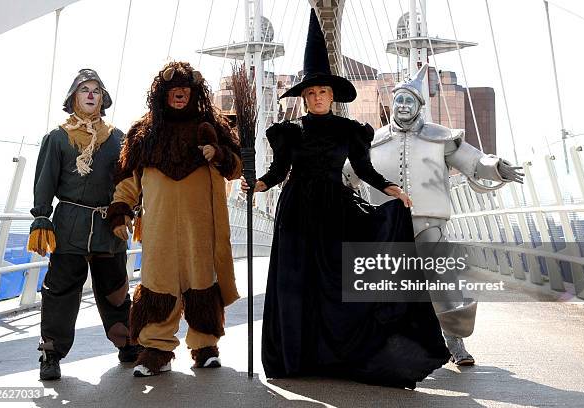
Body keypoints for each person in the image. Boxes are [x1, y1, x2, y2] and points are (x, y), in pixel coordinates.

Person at [241, 10, 450, 389]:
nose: (318, 97)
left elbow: (365, 170)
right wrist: (258, 185)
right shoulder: (287, 132)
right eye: (311, 92)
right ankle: (297, 357)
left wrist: (392, 191)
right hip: (296, 212)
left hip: (335, 211)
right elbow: (278, 172)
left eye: (323, 92)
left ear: (332, 95)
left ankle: (341, 354)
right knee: (294, 282)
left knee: (337, 282)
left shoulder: (350, 131)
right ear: (303, 97)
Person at [346, 63, 524, 365]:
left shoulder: (440, 138)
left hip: (428, 221)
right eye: (399, 100)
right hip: (386, 224)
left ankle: (455, 343)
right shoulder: (372, 141)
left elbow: (474, 160)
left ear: (419, 106)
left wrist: (495, 166)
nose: (403, 106)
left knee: (441, 278)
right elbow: (347, 174)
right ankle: (381, 347)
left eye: (409, 101)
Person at [107, 61, 242, 377]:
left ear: (195, 93)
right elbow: (128, 179)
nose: (181, 93)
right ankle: (156, 349)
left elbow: (236, 168)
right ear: (162, 93)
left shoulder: (214, 127)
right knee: (158, 283)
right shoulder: (144, 134)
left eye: (187, 88)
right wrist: (120, 210)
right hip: (159, 228)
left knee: (202, 281)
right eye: (174, 88)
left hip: (202, 226)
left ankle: (205, 346)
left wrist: (219, 154)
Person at [28, 69, 140, 381]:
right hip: (69, 228)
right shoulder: (57, 138)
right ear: (73, 97)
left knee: (116, 291)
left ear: (103, 98)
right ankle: (51, 354)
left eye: (96, 90)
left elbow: (129, 180)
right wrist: (41, 218)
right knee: (59, 294)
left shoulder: (118, 139)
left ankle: (128, 344)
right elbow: (45, 181)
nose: (90, 94)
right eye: (84, 90)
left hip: (108, 228)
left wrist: (129, 211)